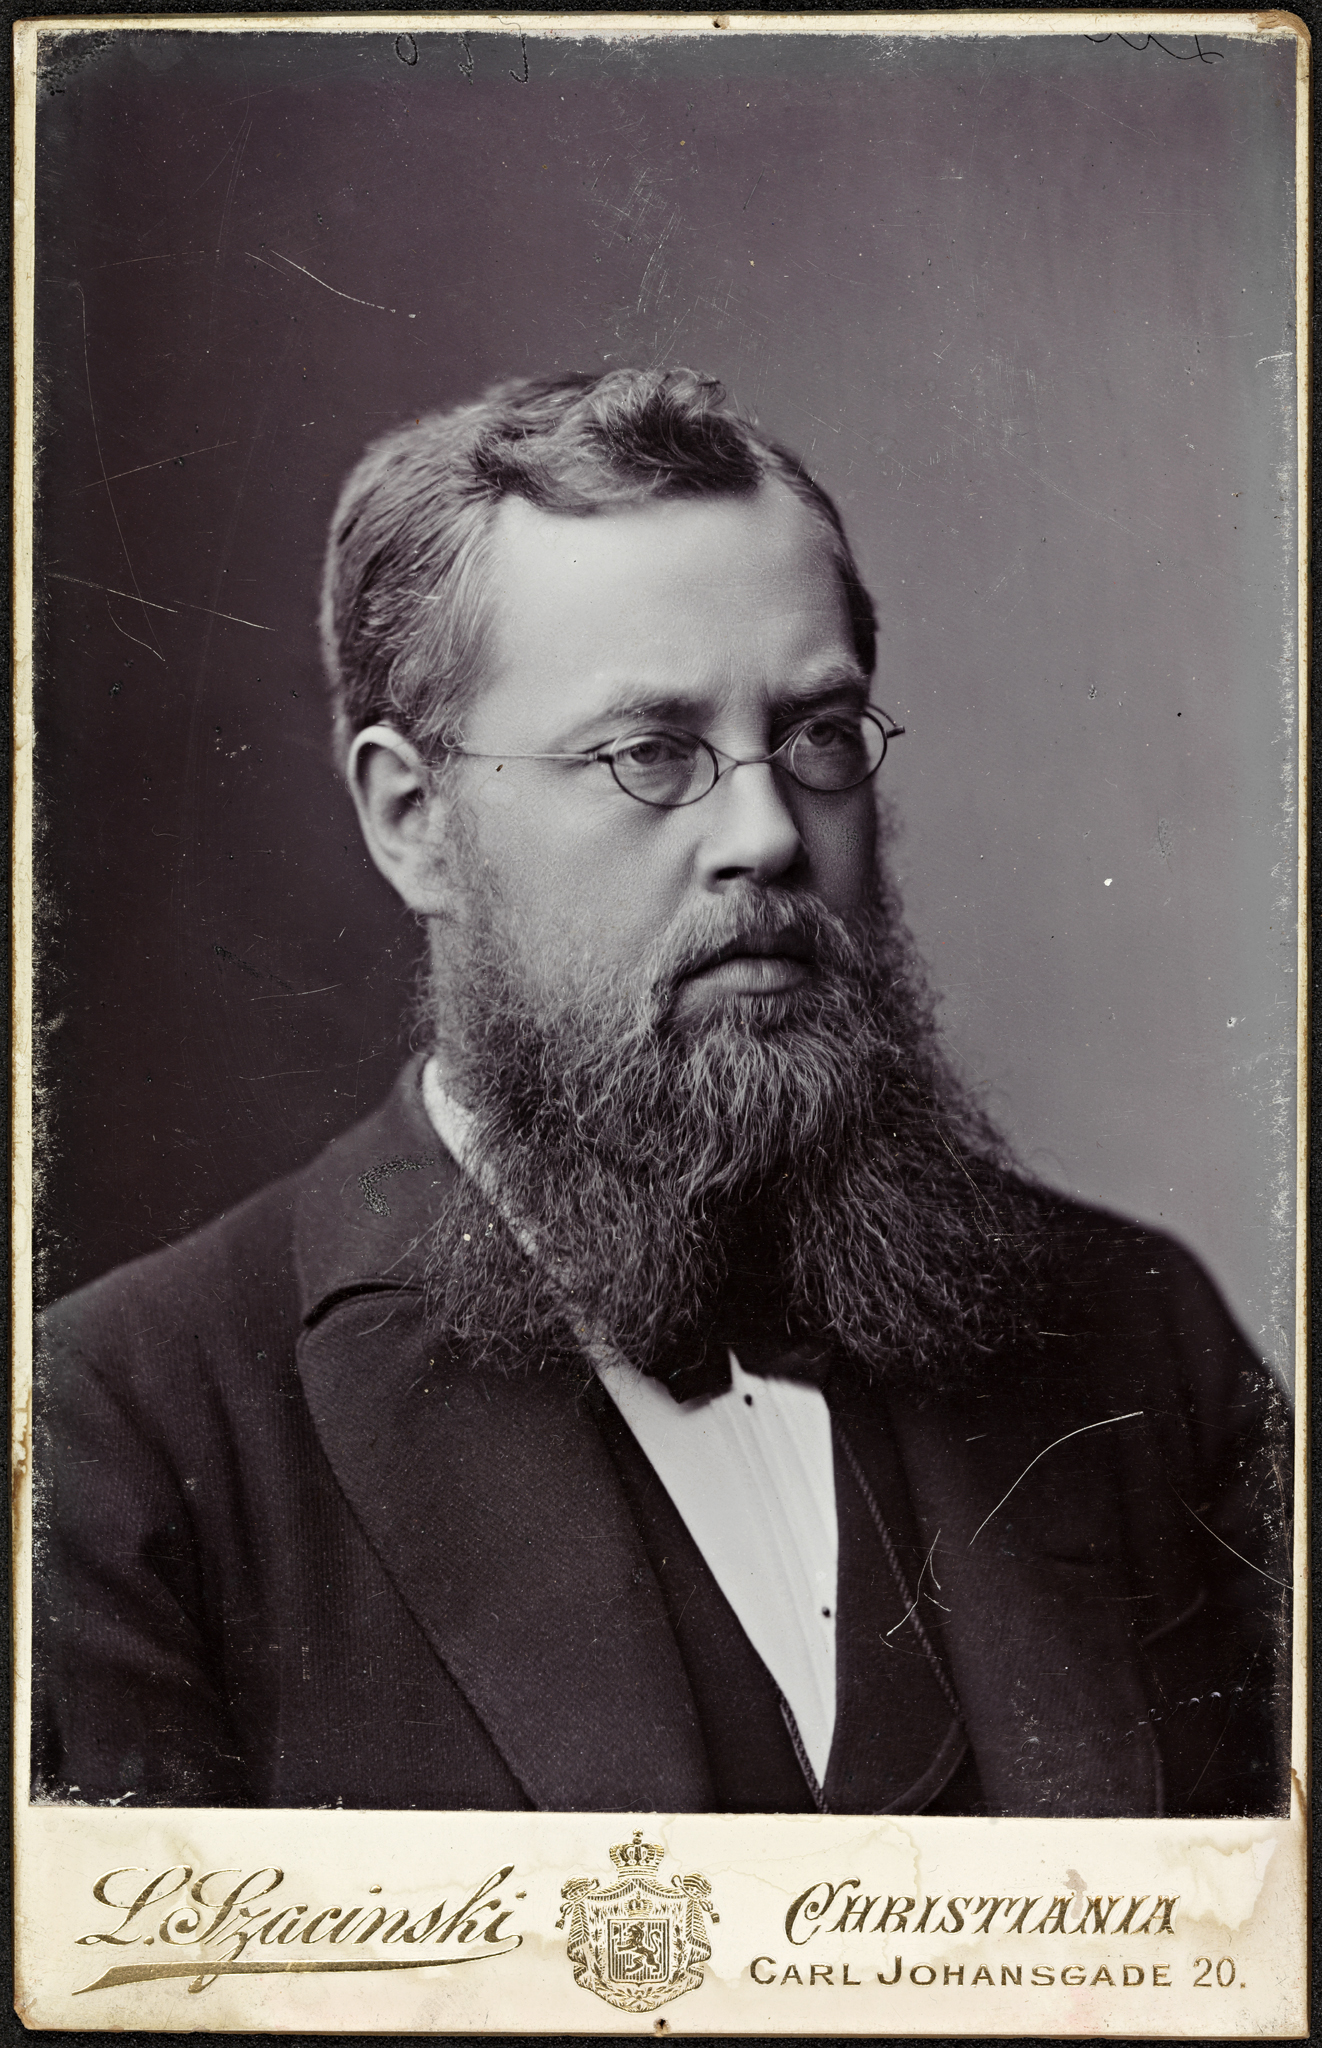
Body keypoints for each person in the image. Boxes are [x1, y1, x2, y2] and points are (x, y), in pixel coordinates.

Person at [33, 368, 1290, 1817]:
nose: (765, 832)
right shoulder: (121, 1437)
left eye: (818, 734)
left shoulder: (1143, 1342)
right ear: (414, 822)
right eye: (649, 753)